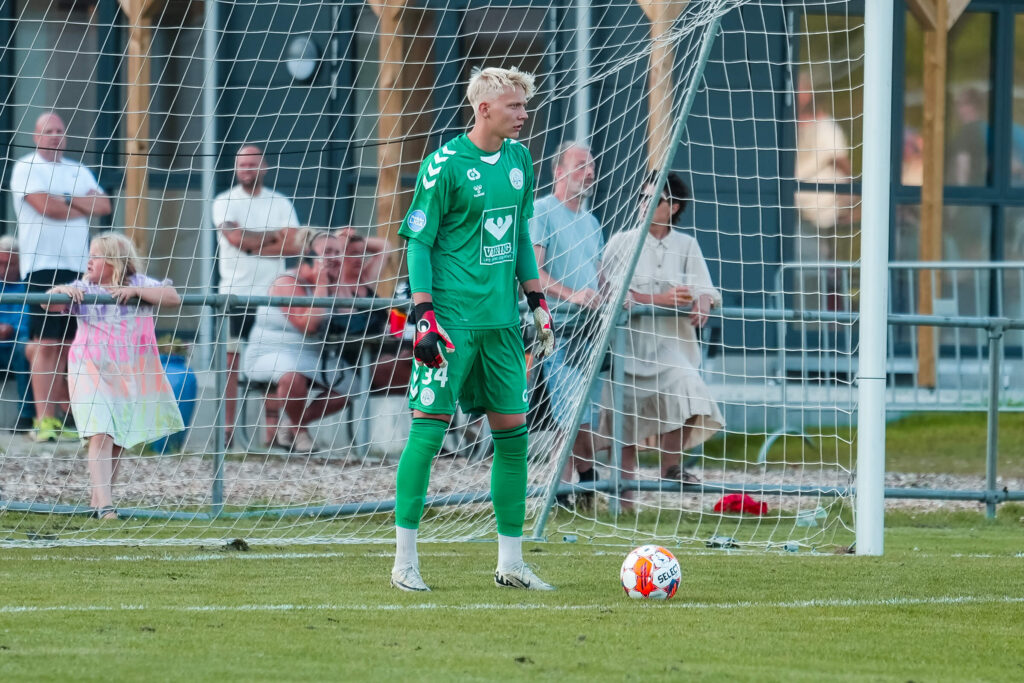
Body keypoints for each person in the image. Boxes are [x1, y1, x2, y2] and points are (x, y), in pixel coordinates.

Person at [390, 66, 555, 592]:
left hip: (502, 326)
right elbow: (417, 242)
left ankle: (510, 562)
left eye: (524, 106)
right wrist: (423, 314)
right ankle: (404, 562)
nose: (524, 114)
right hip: (451, 325)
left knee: (512, 436)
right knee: (428, 432)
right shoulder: (443, 165)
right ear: (484, 109)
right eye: (515, 106)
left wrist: (536, 300)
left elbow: (522, 234)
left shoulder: (520, 160)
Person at [601, 171, 724, 510]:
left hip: (672, 348)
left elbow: (706, 288)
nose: (644, 205)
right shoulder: (621, 242)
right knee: (621, 426)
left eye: (653, 199)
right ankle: (622, 504)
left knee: (692, 391)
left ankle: (670, 466)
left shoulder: (687, 245)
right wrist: (660, 299)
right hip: (627, 348)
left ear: (674, 207)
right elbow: (612, 293)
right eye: (642, 197)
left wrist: (702, 301)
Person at [44, 232, 185, 519]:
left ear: (114, 261)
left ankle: (100, 499)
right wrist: (60, 291)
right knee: (100, 430)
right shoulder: (83, 286)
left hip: (125, 370)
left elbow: (172, 297)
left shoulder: (137, 284)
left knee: (117, 436)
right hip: (88, 366)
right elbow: (48, 303)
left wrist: (136, 293)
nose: (89, 261)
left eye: (95, 256)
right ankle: (106, 507)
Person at [8, 111, 112, 442]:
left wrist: (64, 200)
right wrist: (77, 204)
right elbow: (45, 208)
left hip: (76, 265)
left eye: (60, 131)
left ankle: (61, 417)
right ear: (37, 137)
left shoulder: (78, 170)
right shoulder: (26, 167)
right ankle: (43, 420)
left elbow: (104, 205)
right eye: (48, 131)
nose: (55, 136)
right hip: (42, 265)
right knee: (45, 343)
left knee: (69, 344)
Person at [211, 145, 304, 444]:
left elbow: (296, 245)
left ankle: (271, 432)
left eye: (252, 164)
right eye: (242, 164)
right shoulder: (225, 201)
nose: (246, 169)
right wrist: (274, 236)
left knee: (271, 360)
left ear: (264, 166)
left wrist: (254, 242)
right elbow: (235, 239)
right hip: (235, 296)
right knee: (231, 363)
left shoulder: (280, 202)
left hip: (273, 296)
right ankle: (227, 431)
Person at [530, 141, 604, 509]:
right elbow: (532, 274)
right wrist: (573, 295)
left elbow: (599, 278)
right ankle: (558, 495)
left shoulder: (591, 222)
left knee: (584, 416)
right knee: (567, 413)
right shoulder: (541, 211)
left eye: (591, 166)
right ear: (558, 172)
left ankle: (586, 484)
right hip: (553, 329)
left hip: (590, 331)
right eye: (579, 165)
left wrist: (611, 294)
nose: (588, 172)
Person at [242, 232, 358, 452]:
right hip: (271, 353)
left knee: (355, 384)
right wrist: (322, 284)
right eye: (327, 253)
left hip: (313, 356)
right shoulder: (287, 282)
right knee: (291, 374)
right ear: (310, 256)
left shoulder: (333, 284)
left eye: (337, 253)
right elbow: (309, 325)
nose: (334, 258)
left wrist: (338, 280)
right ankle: (301, 434)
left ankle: (293, 424)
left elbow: (350, 317)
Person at [0, 236, 34, 430]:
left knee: (24, 346)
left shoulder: (30, 284)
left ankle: (26, 417)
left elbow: (35, 325)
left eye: (10, 264)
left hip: (15, 346)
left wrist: (12, 330)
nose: (4, 270)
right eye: (0, 264)